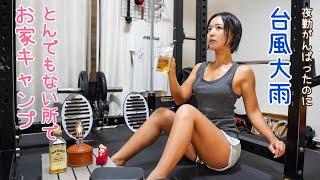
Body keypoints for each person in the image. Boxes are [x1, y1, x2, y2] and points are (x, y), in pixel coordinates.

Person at [111, 12, 286, 179]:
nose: (211, 33)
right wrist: (171, 74)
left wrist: (273, 138)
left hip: (223, 148)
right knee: (161, 114)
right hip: (197, 148)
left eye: (218, 28)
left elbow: (253, 112)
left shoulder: (242, 72)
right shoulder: (200, 68)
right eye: (209, 28)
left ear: (232, 35)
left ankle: (157, 176)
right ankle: (116, 160)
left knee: (187, 111)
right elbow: (179, 98)